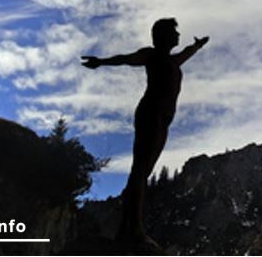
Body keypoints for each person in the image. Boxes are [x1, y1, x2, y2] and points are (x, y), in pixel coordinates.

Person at [81, 18, 209, 246]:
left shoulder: (171, 61)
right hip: (150, 114)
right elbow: (126, 59)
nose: (178, 36)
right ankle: (135, 230)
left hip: (163, 119)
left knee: (143, 172)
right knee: (140, 171)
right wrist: (101, 62)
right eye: (175, 32)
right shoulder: (151, 55)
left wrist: (197, 46)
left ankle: (125, 229)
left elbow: (186, 54)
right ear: (163, 35)